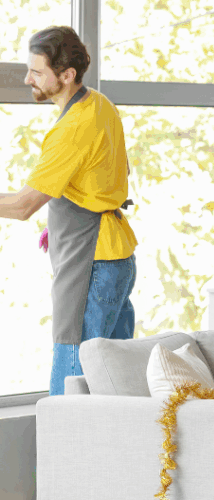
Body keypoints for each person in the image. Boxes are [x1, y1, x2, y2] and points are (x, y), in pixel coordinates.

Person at [0, 26, 137, 395]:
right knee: (116, 382)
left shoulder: (73, 127)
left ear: (67, 75)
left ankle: (68, 453)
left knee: (71, 385)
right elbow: (113, 174)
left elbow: (24, 205)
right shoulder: (100, 104)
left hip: (89, 266)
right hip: (117, 259)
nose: (28, 78)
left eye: (37, 72)